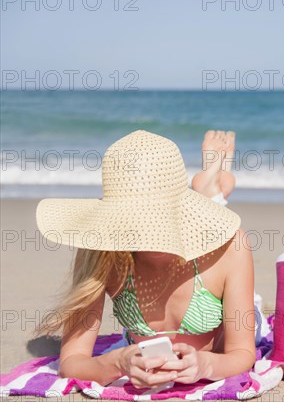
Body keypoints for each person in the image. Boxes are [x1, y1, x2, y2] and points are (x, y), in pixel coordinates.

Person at [34, 129, 260, 390]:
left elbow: (242, 352)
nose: (151, 236)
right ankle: (209, 192)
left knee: (252, 306)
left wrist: (206, 365)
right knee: (206, 214)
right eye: (138, 223)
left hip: (225, 327)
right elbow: (71, 362)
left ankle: (213, 194)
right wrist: (118, 362)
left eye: (158, 219)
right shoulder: (102, 252)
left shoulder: (231, 246)